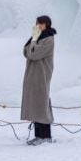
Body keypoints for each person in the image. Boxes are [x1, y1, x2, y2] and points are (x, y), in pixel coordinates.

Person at [22, 15, 56, 145]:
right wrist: (33, 41)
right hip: (33, 75)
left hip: (41, 75)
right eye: (37, 23)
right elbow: (26, 52)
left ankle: (45, 136)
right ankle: (38, 136)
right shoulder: (38, 37)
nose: (37, 26)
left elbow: (33, 54)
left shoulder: (48, 39)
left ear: (46, 25)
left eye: (40, 24)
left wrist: (34, 41)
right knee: (36, 104)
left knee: (41, 103)